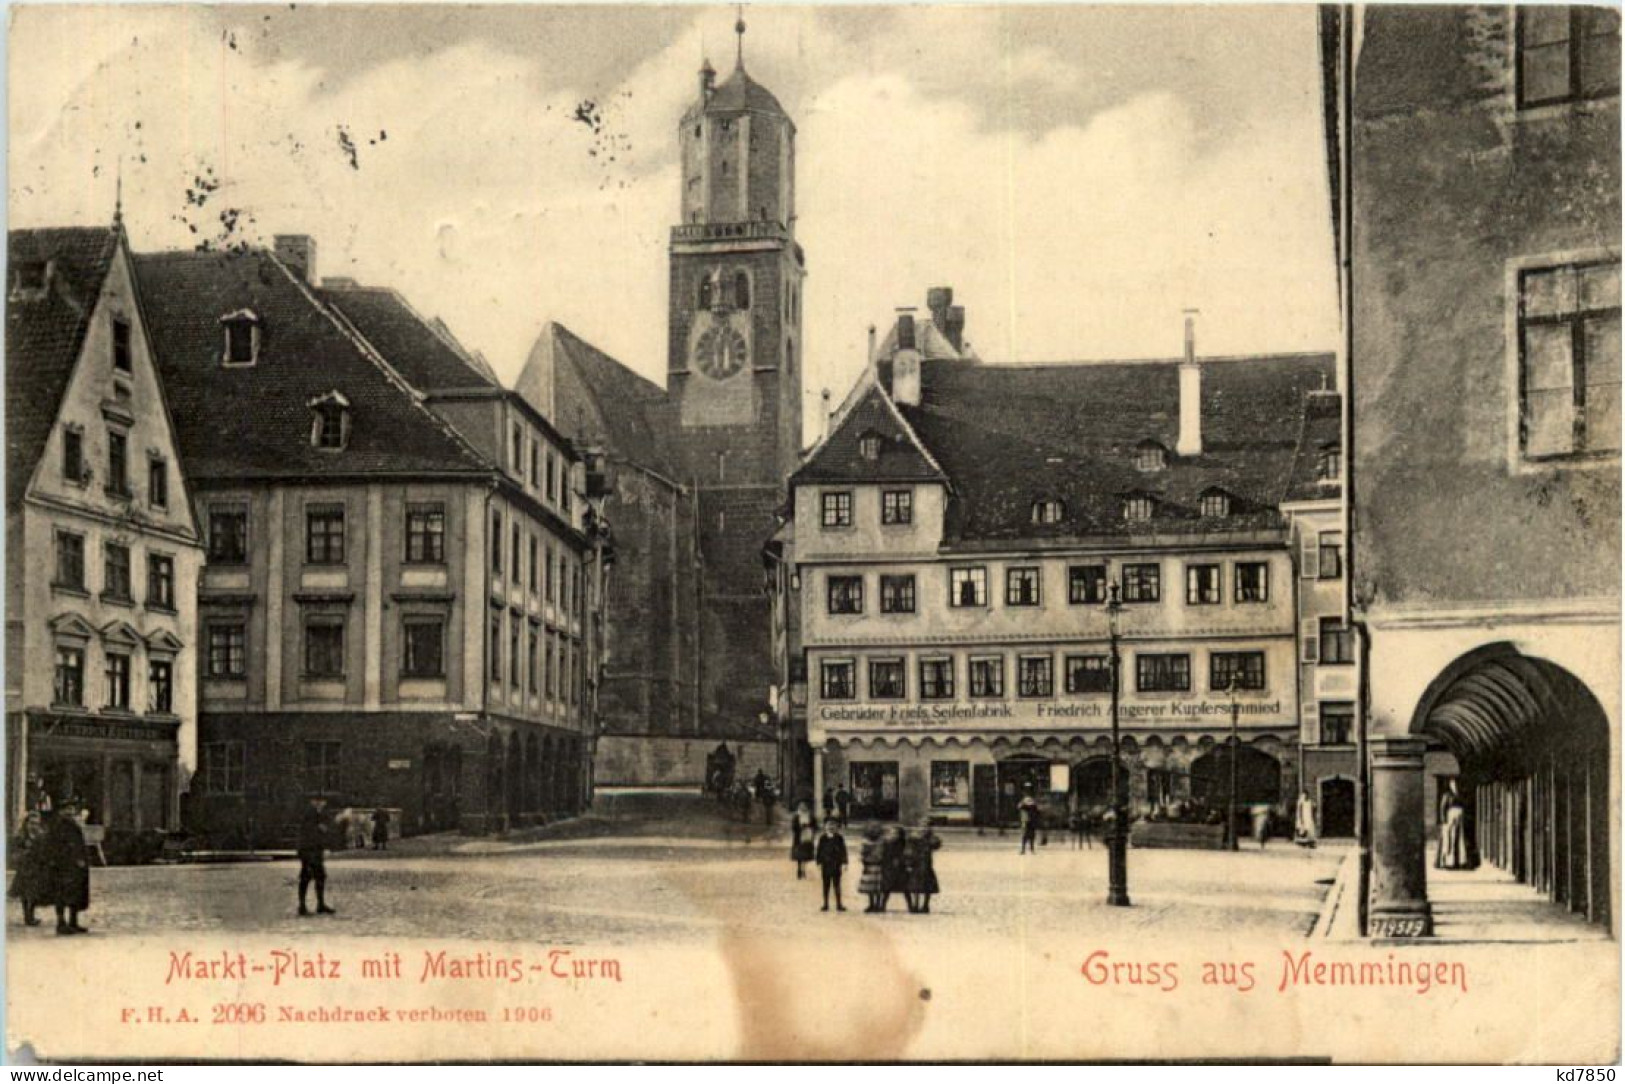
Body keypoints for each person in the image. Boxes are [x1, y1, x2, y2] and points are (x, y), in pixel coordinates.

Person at [39, 798, 90, 935]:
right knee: (62, 895)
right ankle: (61, 923)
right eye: (67, 809)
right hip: (63, 866)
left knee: (76, 894)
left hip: (75, 866)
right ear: (60, 811)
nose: (70, 811)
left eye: (72, 809)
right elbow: (57, 847)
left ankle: (73, 921)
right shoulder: (58, 826)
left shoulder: (72, 824)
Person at [297, 795, 336, 917]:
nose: (322, 804)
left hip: (314, 850)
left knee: (319, 876)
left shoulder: (317, 814)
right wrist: (320, 828)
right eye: (320, 801)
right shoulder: (309, 813)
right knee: (307, 877)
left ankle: (319, 904)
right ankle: (303, 906)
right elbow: (308, 831)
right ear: (314, 801)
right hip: (309, 850)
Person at [10, 811, 47, 927]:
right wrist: (24, 854)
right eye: (31, 823)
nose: (34, 826)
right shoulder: (20, 836)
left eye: (36, 823)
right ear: (26, 823)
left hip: (37, 868)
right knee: (25, 893)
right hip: (25, 868)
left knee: (35, 892)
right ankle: (28, 916)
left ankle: (31, 914)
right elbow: (13, 853)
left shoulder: (41, 836)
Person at [904, 827, 942, 914]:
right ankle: (916, 905)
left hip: (926, 866)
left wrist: (930, 836)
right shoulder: (914, 841)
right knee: (916, 887)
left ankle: (925, 905)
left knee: (926, 887)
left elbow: (936, 844)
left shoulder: (929, 841)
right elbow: (909, 852)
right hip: (917, 866)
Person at [814, 819, 848, 912]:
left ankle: (839, 904)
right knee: (826, 885)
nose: (831, 827)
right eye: (829, 825)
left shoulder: (839, 838)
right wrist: (818, 862)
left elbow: (843, 851)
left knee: (837, 885)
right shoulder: (823, 838)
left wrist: (845, 862)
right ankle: (825, 904)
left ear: (836, 827)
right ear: (825, 827)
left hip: (836, 864)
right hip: (826, 865)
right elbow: (819, 851)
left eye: (833, 826)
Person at [1436, 782, 1470, 869]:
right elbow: (1443, 807)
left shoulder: (1460, 795)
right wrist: (1444, 819)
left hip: (1459, 817)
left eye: (1456, 784)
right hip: (1450, 817)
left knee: (1460, 839)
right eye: (1453, 784)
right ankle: (1449, 862)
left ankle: (1460, 861)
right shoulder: (1447, 795)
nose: (1455, 786)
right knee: (1449, 839)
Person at [858, 824, 886, 913]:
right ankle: (872, 904)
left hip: (878, 865)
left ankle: (877, 904)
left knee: (877, 886)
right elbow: (863, 854)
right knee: (871, 887)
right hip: (870, 865)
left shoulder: (881, 842)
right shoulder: (866, 843)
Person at [881, 825, 907, 912]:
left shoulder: (902, 843)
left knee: (905, 888)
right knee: (887, 888)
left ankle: (911, 906)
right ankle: (882, 905)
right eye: (891, 833)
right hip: (889, 868)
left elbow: (905, 854)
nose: (893, 835)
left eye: (895, 833)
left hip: (900, 868)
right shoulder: (887, 843)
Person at [789, 802, 816, 879]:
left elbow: (815, 825)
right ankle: (799, 869)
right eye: (801, 807)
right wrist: (800, 827)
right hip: (798, 838)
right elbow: (793, 827)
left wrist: (809, 827)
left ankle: (803, 870)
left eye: (804, 807)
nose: (803, 808)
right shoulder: (796, 816)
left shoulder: (810, 816)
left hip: (807, 837)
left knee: (805, 856)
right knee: (799, 856)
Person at [1017, 789, 1041, 855]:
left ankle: (1025, 850)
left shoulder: (1025, 802)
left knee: (1027, 835)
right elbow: (1037, 811)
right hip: (1029, 820)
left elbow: (1019, 807)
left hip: (1027, 820)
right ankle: (1028, 849)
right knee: (1028, 835)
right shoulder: (1031, 802)